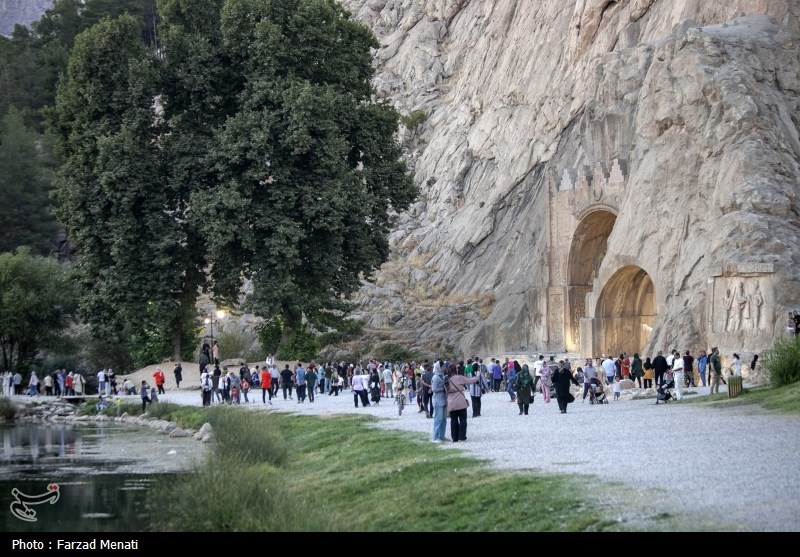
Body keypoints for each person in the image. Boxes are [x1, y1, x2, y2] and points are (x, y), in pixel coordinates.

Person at [444, 363, 478, 442]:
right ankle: (462, 436)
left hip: (451, 402)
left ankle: (454, 437)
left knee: (453, 420)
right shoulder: (459, 378)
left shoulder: (446, 379)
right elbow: (471, 380)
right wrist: (478, 375)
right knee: (463, 419)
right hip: (460, 401)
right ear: (455, 370)